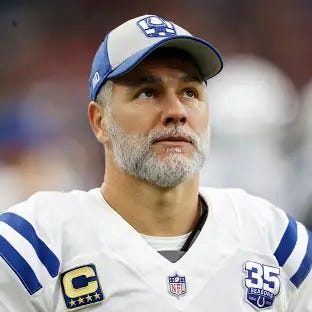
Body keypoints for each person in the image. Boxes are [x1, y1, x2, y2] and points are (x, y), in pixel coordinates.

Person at [0, 14, 311, 312]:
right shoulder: (36, 246)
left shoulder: (276, 243)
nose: (177, 111)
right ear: (99, 121)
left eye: (190, 92)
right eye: (148, 92)